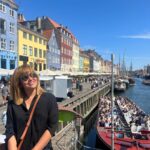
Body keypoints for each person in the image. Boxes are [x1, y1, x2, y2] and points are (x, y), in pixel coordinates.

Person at [5, 64, 58, 150]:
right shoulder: (13, 103)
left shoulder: (49, 99)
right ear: (19, 83)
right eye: (25, 77)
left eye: (33, 75)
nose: (30, 78)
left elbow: (52, 127)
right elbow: (10, 130)